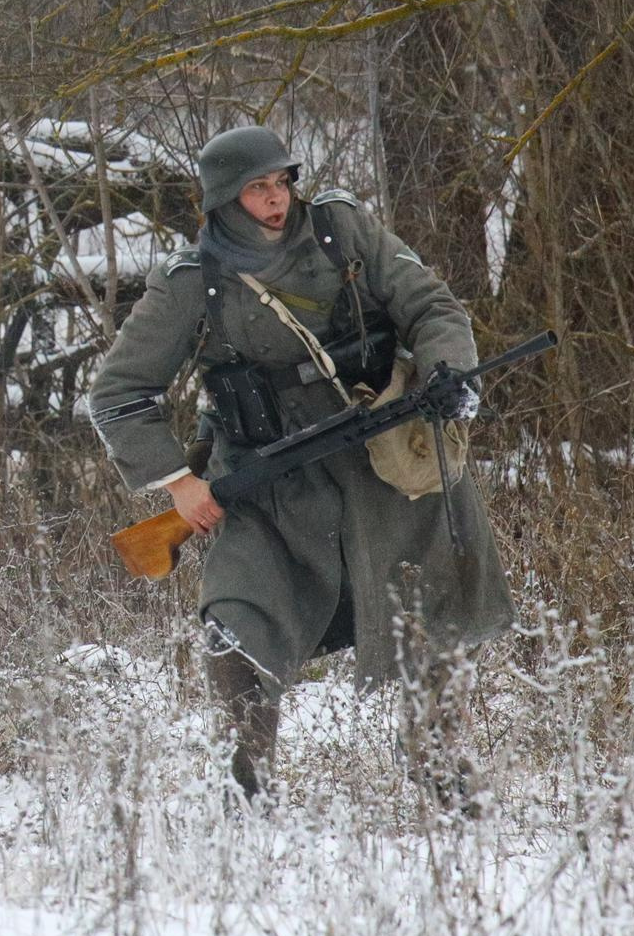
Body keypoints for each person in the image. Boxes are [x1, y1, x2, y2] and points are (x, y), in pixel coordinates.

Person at [86, 126, 508, 805]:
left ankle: (438, 763)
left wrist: (447, 374)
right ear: (224, 199)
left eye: (281, 182)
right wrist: (181, 483)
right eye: (257, 188)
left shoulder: (342, 230)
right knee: (236, 620)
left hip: (386, 458)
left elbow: (431, 305)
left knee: (436, 603)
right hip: (270, 481)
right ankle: (247, 781)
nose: (276, 198)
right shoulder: (192, 282)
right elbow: (116, 396)